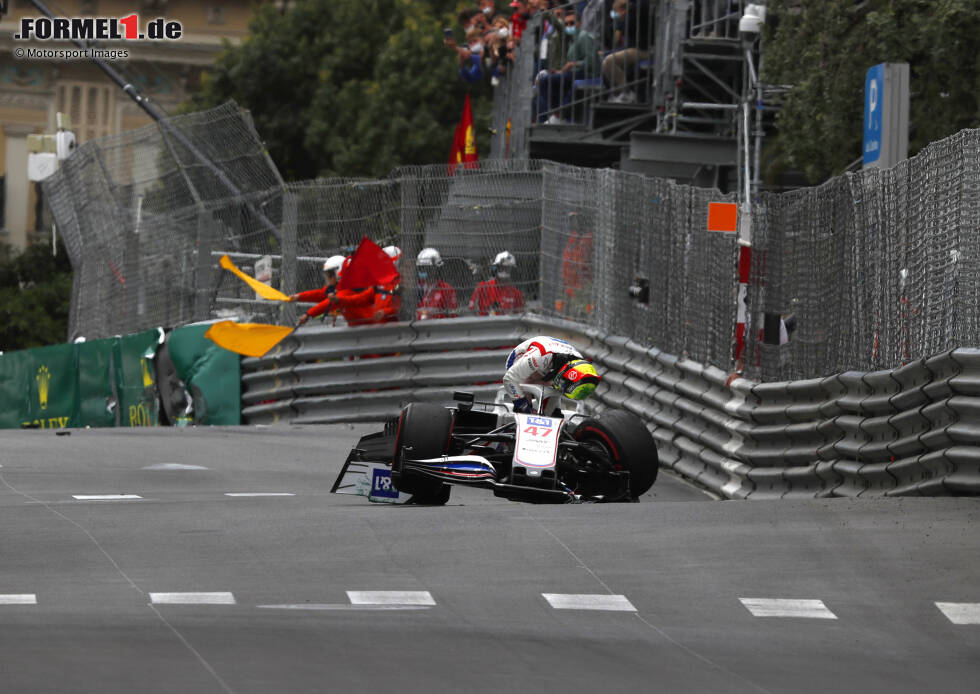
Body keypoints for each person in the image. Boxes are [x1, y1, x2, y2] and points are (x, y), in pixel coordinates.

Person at [503, 335, 601, 414]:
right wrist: (521, 404)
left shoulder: (578, 361)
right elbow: (509, 378)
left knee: (552, 413)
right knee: (525, 411)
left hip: (548, 365)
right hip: (520, 360)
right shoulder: (540, 356)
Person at [536, 9, 599, 124]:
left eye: (572, 23)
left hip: (586, 73)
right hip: (575, 73)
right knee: (544, 80)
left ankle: (560, 115)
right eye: (566, 24)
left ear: (579, 23)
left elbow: (592, 62)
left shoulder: (584, 37)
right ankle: (559, 114)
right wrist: (560, 70)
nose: (569, 26)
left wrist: (572, 65)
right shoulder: (572, 41)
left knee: (546, 81)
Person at [601, 0, 652, 103]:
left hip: (643, 50)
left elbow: (625, 27)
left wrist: (623, 15)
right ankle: (616, 93)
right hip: (632, 48)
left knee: (611, 60)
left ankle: (626, 92)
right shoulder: (633, 6)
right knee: (604, 60)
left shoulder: (639, 5)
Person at [290, 255, 345, 326]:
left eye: (330, 275)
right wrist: (299, 296)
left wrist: (308, 314)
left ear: (339, 272)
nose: (328, 278)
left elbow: (327, 303)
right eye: (327, 275)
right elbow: (319, 294)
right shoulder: (332, 289)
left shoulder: (346, 289)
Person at [469, 250, 525, 315]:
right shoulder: (482, 287)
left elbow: (519, 315)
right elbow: (471, 310)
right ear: (495, 269)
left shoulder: (516, 294)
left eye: (507, 269)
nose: (504, 272)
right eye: (502, 268)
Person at [415, 247, 459, 320]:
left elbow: (453, 316)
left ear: (435, 269)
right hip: (418, 328)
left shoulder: (446, 289)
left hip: (437, 328)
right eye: (421, 268)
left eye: (426, 268)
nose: (423, 271)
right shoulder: (418, 287)